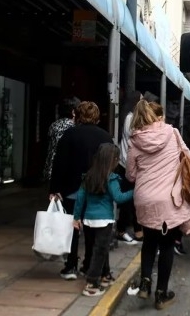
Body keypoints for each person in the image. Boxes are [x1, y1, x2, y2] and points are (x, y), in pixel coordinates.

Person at [126, 100, 190, 310]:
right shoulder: (172, 133)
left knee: (149, 242)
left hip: (144, 199)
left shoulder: (134, 141)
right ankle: (161, 293)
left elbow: (130, 175)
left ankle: (145, 281)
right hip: (168, 200)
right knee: (166, 245)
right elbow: (188, 157)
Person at [49, 101, 114, 280]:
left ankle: (70, 266)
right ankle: (89, 265)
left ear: (77, 115)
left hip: (72, 188)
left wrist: (55, 188)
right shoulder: (105, 136)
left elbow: (59, 163)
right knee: (93, 230)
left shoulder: (70, 135)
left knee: (72, 228)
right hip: (96, 189)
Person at [73, 142, 134, 296]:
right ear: (112, 160)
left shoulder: (89, 176)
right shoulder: (111, 179)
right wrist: (135, 191)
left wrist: (76, 217)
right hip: (104, 221)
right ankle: (92, 283)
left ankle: (105, 275)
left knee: (100, 248)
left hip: (88, 220)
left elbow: (80, 197)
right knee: (100, 251)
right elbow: (119, 198)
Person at [147, 101, 188, 256]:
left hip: (149, 190)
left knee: (151, 235)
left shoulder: (138, 135)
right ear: (161, 117)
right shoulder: (173, 133)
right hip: (170, 186)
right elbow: (186, 155)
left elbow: (131, 172)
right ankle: (175, 241)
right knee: (172, 219)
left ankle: (147, 274)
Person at [116, 90, 144, 245]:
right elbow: (136, 137)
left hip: (130, 164)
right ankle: (122, 230)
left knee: (134, 199)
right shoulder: (130, 118)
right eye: (140, 100)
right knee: (129, 199)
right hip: (127, 165)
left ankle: (136, 230)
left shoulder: (131, 117)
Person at [43, 97, 80, 183]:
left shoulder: (53, 125)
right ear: (74, 112)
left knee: (55, 196)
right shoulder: (73, 127)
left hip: (51, 170)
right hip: (66, 172)